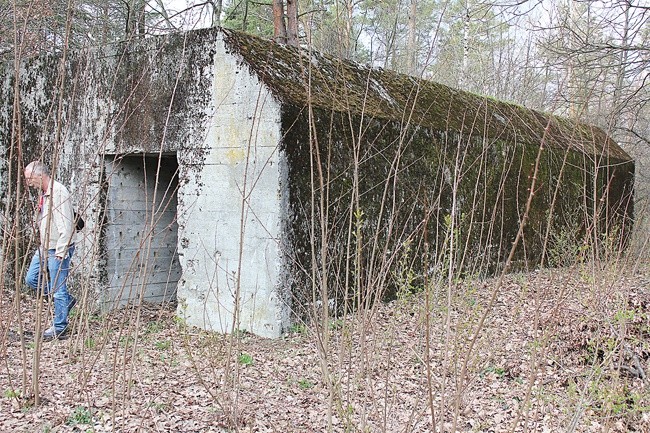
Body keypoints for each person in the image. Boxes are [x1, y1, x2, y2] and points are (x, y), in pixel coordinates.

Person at [23, 161, 77, 341]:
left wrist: (61, 251)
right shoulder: (45, 194)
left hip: (58, 247)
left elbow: (66, 226)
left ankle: (59, 327)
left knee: (58, 289)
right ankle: (66, 301)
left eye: (29, 178)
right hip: (45, 246)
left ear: (40, 175)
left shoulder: (58, 192)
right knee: (31, 279)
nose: (28, 183)